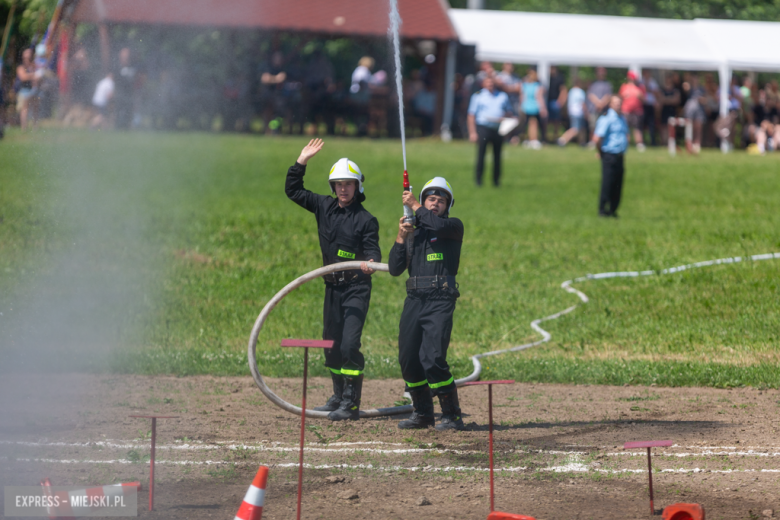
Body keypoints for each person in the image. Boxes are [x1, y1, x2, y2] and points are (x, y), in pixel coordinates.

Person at [285, 138, 381, 421]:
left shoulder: (366, 220)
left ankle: (351, 403)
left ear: (358, 186)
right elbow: (293, 190)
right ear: (332, 187)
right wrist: (301, 161)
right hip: (332, 288)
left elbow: (373, 249)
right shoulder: (323, 207)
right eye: (338, 184)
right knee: (331, 345)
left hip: (356, 288)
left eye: (348, 184)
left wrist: (371, 263)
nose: (343, 188)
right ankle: (338, 396)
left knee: (350, 344)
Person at [388, 177, 465, 431]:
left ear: (447, 206)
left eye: (441, 201)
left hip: (440, 299)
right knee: (409, 359)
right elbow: (394, 268)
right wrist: (401, 237)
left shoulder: (452, 227)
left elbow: (437, 226)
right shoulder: (414, 232)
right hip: (414, 300)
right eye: (431, 199)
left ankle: (452, 414)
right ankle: (422, 413)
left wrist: (415, 206)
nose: (435, 205)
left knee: (432, 358)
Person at [467, 76, 513, 187]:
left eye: (492, 83)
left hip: (498, 128)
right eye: (487, 83)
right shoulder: (478, 96)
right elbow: (471, 115)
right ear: (484, 84)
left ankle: (496, 181)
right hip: (483, 127)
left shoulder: (502, 96)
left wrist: (505, 118)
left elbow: (509, 112)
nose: (490, 85)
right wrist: (472, 132)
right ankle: (478, 180)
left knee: (497, 156)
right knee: (481, 155)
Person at [593, 95, 629, 218]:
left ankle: (613, 210)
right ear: (610, 104)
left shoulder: (622, 118)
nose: (618, 105)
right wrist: (601, 152)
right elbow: (597, 138)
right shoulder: (606, 118)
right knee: (607, 183)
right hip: (609, 154)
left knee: (618, 184)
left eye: (620, 103)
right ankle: (602, 210)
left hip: (620, 155)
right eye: (615, 103)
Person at [618, 71, 645, 151]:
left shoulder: (640, 87)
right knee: (626, 128)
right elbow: (619, 98)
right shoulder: (624, 86)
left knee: (637, 128)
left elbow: (644, 99)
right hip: (626, 110)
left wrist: (640, 95)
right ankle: (626, 143)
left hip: (637, 111)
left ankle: (639, 143)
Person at [520, 68, 547, 148]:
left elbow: (522, 97)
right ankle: (534, 140)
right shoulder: (538, 86)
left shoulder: (524, 85)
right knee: (534, 124)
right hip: (535, 107)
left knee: (529, 124)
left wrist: (522, 106)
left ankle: (531, 139)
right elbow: (539, 98)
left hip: (526, 107)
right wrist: (543, 108)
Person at [557, 78, 586, 146]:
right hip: (578, 112)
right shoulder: (580, 91)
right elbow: (582, 103)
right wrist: (586, 112)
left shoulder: (571, 91)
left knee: (580, 128)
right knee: (575, 129)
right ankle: (562, 140)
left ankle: (582, 143)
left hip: (571, 112)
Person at [586, 67, 612, 141]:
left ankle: (602, 141)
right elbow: (590, 95)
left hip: (604, 110)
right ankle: (592, 141)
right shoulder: (593, 84)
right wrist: (598, 103)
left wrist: (602, 104)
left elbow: (608, 96)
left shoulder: (607, 84)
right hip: (593, 109)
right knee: (593, 126)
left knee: (603, 126)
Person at [15, 48, 39, 131]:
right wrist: (33, 75)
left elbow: (38, 75)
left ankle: (35, 126)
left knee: (35, 108)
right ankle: (24, 127)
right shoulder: (21, 67)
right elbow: (23, 77)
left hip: (33, 89)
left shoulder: (33, 65)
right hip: (24, 90)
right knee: (25, 109)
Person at [114, 47, 137, 129]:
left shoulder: (133, 67)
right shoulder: (116, 67)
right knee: (118, 111)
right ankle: (117, 127)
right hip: (119, 94)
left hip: (129, 94)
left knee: (129, 111)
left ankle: (127, 126)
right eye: (124, 56)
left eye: (127, 56)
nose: (126, 58)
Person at [545, 66, 568, 140]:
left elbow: (563, 90)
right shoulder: (546, 77)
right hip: (547, 101)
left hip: (555, 102)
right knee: (546, 120)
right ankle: (546, 136)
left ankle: (555, 135)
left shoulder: (559, 78)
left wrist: (560, 102)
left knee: (556, 120)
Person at [641, 70, 660, 146]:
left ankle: (652, 141)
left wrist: (648, 89)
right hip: (643, 105)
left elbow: (657, 92)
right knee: (642, 124)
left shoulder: (653, 82)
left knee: (651, 124)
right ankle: (642, 141)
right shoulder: (641, 81)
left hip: (651, 105)